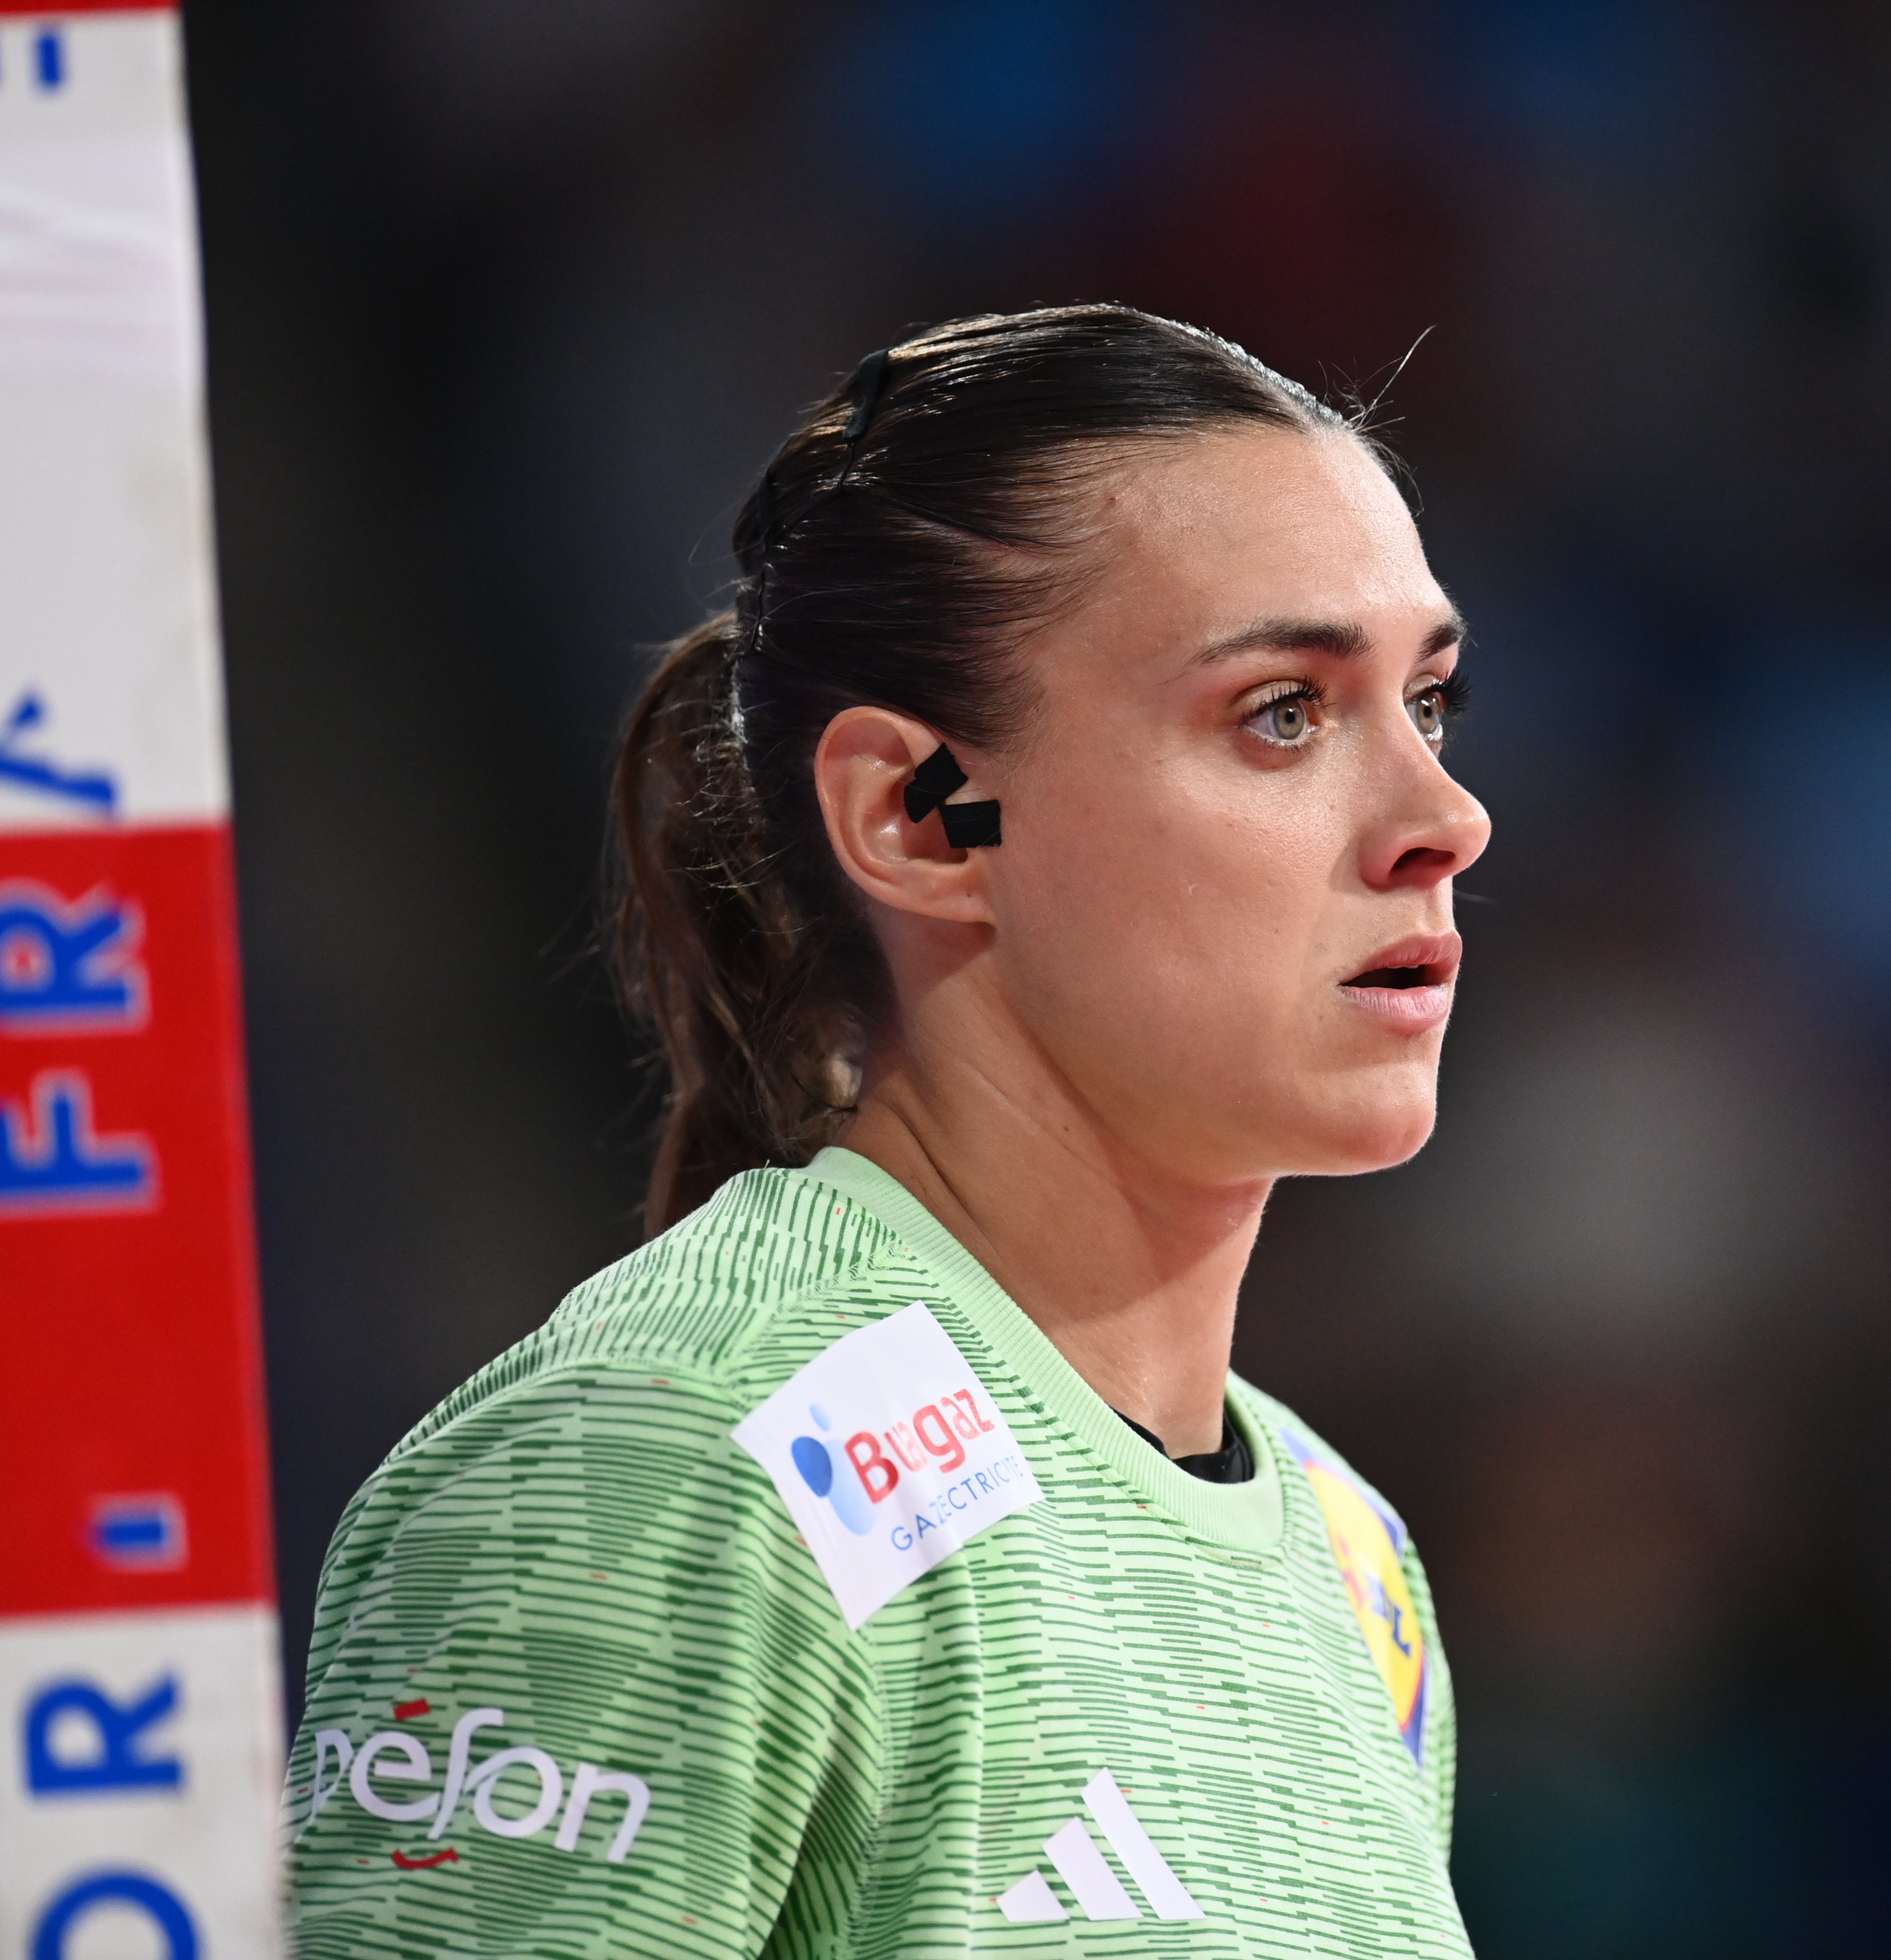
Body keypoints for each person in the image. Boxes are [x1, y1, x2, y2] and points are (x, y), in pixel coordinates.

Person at [281, 306, 1488, 1957]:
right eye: (1282, 710)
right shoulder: (662, 1466)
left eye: (1432, 700)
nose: (1444, 818)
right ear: (919, 817)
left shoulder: (1357, 1566)